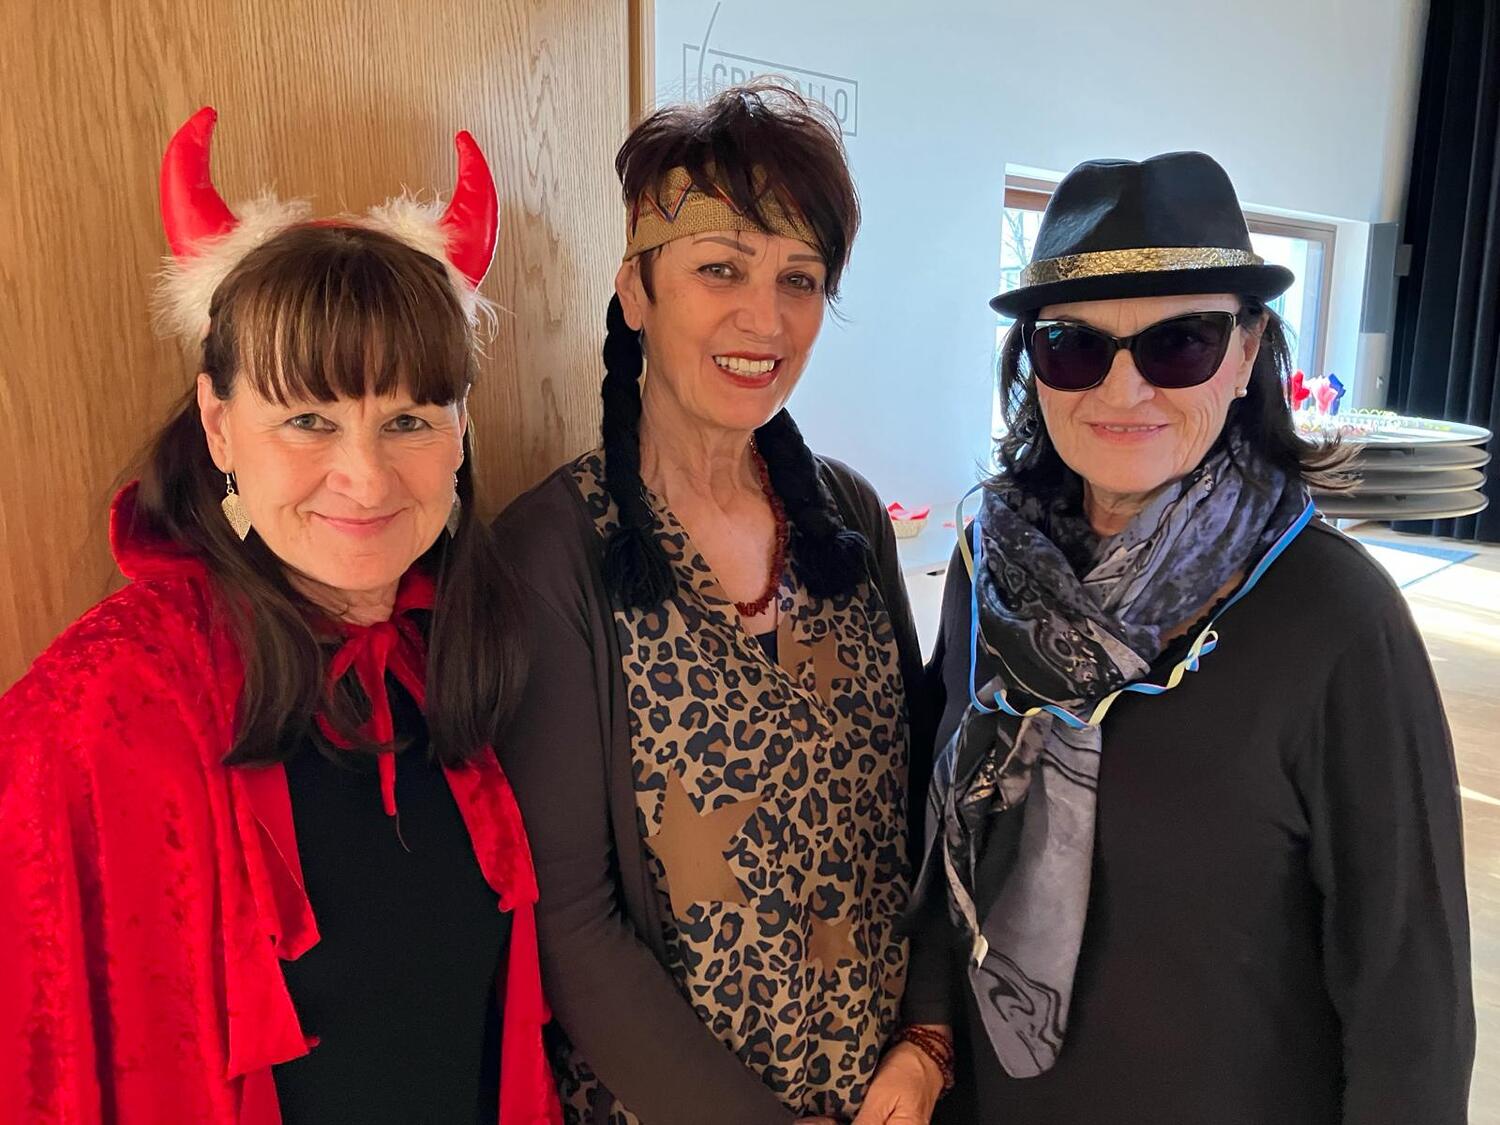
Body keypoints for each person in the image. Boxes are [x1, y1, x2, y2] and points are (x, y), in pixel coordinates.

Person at [0, 107, 560, 1124]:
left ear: (460, 431)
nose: (366, 476)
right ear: (219, 425)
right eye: (308, 418)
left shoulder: (456, 651)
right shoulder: (102, 705)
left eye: (408, 419)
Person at [914, 150, 1474, 1125]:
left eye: (1179, 343)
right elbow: (940, 854)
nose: (1122, 390)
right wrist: (923, 1036)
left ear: (1249, 352)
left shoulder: (1335, 618)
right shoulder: (986, 574)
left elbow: (1408, 1005)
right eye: (1074, 346)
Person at [494, 83, 947, 1124]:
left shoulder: (848, 520)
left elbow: (923, 813)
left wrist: (926, 1042)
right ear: (637, 290)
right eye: (720, 269)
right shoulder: (556, 553)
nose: (765, 318)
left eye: (800, 279)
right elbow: (572, 922)